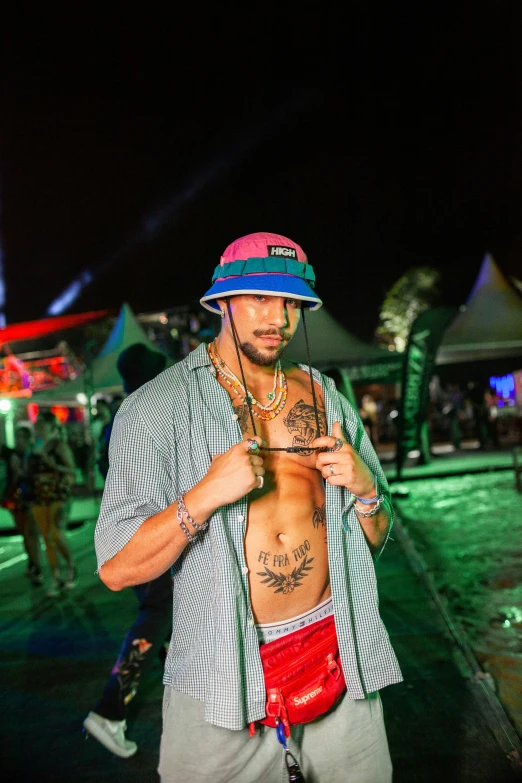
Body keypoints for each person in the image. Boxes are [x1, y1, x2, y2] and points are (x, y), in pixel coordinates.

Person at [95, 233, 402, 782]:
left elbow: (378, 537)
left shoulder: (328, 397)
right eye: (259, 297)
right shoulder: (154, 411)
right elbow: (117, 567)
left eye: (290, 303)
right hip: (220, 671)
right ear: (222, 302)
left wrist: (366, 490)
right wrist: (204, 495)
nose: (277, 318)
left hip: (340, 650)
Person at [84, 343, 172, 759]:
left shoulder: (119, 418)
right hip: (148, 535)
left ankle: (192, 700)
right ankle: (110, 710)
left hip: (132, 533)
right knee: (159, 612)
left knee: (173, 615)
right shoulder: (146, 413)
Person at [29, 411, 76, 597]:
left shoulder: (59, 445)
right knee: (46, 538)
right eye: (36, 423)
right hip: (39, 495)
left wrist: (54, 465)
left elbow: (72, 469)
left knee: (56, 534)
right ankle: (56, 577)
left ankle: (71, 567)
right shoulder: (36, 445)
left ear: (50, 425)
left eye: (41, 422)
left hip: (58, 494)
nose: (37, 426)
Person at [2, 426, 42, 585]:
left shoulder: (33, 454)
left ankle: (36, 565)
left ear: (27, 438)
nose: (18, 440)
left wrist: (20, 471)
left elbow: (33, 475)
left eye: (21, 437)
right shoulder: (12, 453)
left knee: (30, 532)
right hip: (16, 497)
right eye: (17, 436)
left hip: (31, 497)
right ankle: (32, 561)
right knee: (24, 533)